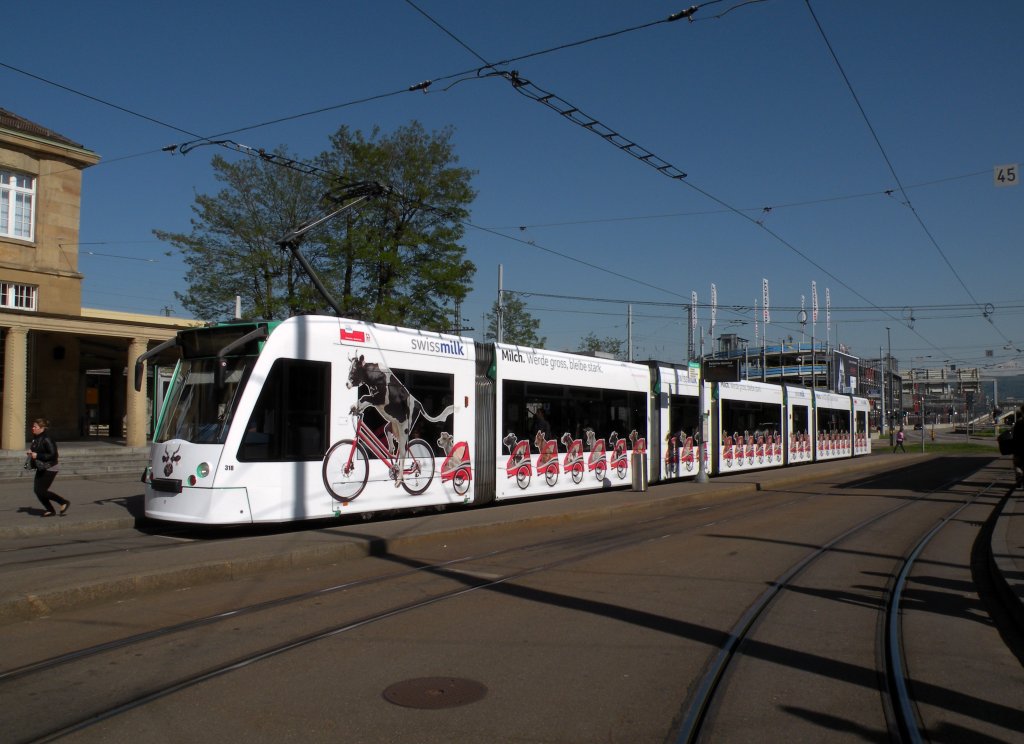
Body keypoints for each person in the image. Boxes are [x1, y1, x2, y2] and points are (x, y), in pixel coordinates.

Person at [27, 418, 69, 517]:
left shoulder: (47, 438)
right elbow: (37, 449)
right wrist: (31, 452)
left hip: (50, 467)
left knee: (41, 490)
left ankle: (63, 502)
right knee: (38, 490)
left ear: (42, 428)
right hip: (41, 467)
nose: (33, 428)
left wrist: (37, 455)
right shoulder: (36, 437)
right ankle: (50, 510)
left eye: (35, 427)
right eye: (33, 426)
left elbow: (54, 455)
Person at [1013, 407, 1024, 488]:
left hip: (1019, 448)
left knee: (1017, 464)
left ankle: (1019, 475)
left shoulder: (1018, 423)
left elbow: (1014, 435)